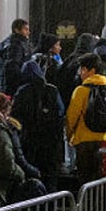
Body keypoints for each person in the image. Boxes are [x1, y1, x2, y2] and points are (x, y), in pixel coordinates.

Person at [66, 53, 106, 184]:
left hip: (84, 142)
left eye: (83, 69)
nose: (80, 73)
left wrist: (70, 136)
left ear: (92, 71)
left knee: (85, 180)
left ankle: (86, 204)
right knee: (103, 180)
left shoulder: (81, 91)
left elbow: (71, 118)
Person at [12, 58, 65, 193]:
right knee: (51, 179)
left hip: (29, 143)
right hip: (51, 143)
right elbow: (60, 113)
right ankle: (50, 207)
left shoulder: (22, 92)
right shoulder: (52, 90)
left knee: (32, 180)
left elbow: (15, 117)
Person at [0, 18, 32, 96]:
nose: (28, 32)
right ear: (17, 30)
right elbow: (13, 67)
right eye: (26, 29)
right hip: (12, 87)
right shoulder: (16, 45)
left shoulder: (8, 43)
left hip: (4, 85)